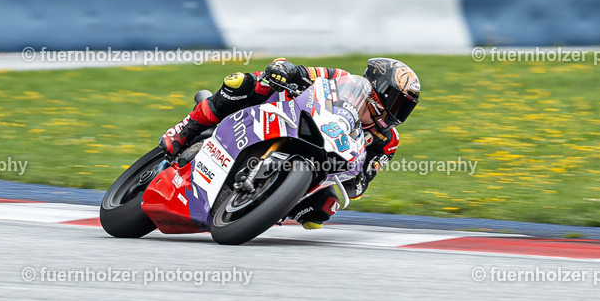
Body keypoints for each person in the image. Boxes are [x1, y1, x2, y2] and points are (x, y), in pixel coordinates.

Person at [159, 57, 421, 229]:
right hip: (291, 115)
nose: (399, 112)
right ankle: (185, 130)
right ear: (380, 88)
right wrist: (286, 71)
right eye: (398, 102)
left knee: (324, 209)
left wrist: (359, 179)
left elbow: (362, 182)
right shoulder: (341, 78)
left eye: (405, 108)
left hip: (324, 160)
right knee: (241, 82)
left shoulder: (388, 140)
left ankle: (266, 203)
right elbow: (304, 72)